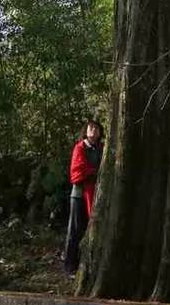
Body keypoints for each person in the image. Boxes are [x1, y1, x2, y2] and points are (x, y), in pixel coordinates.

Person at [63, 118, 104, 276]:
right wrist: (94, 171)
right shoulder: (80, 147)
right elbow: (76, 172)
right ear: (86, 131)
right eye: (90, 127)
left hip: (96, 195)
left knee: (92, 229)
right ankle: (70, 266)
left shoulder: (102, 148)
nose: (93, 130)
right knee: (75, 230)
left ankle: (87, 264)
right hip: (79, 195)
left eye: (96, 128)